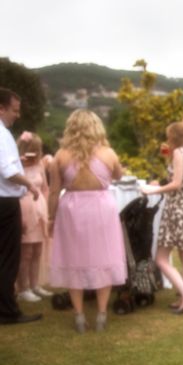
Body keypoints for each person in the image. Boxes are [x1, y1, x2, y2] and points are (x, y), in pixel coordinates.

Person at [49, 109, 127, 333]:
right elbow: (119, 176)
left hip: (72, 209)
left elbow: (54, 192)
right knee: (104, 256)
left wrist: (50, 217)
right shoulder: (108, 153)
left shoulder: (61, 155)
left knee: (74, 259)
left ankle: (79, 315)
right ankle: (102, 313)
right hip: (102, 208)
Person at [141, 122, 183, 314]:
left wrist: (154, 190)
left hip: (176, 208)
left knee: (161, 258)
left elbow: (176, 183)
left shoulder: (178, 153)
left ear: (173, 137)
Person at [0, 88, 42, 324]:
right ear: (1, 108)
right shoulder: (1, 133)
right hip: (5, 203)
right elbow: (7, 171)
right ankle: (7, 311)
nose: (17, 115)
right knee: (8, 257)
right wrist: (30, 184)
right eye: (14, 110)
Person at [16, 131, 53, 302]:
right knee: (26, 252)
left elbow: (45, 187)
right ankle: (23, 288)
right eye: (34, 150)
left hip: (39, 211)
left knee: (38, 249)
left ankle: (34, 284)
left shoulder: (40, 167)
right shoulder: (16, 167)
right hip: (24, 210)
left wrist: (44, 207)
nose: (37, 154)